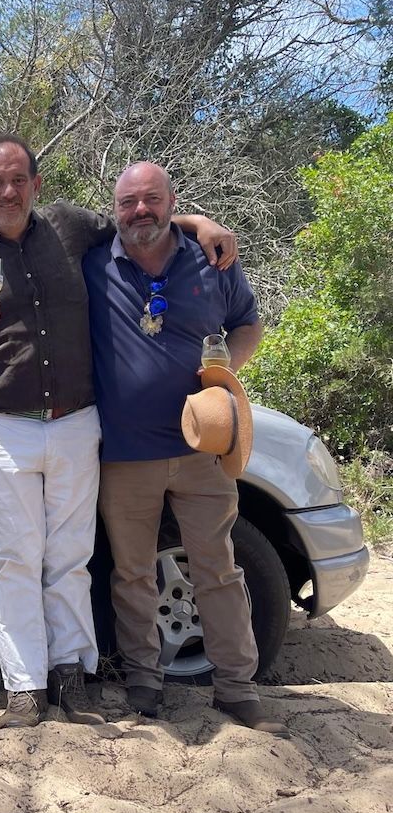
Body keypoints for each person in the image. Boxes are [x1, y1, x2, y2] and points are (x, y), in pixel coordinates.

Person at [0, 134, 236, 730]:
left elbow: (139, 224)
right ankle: (24, 687)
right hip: (0, 428)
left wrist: (198, 221)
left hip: (77, 422)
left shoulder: (68, 228)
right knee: (12, 560)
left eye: (18, 180)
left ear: (36, 186)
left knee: (72, 558)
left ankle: (72, 675)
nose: (8, 191)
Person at [84, 161, 288, 736]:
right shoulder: (95, 261)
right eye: (129, 202)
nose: (140, 211)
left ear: (172, 202)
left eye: (152, 199)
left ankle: (236, 688)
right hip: (125, 452)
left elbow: (247, 324)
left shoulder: (212, 258)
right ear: (116, 209)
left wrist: (224, 380)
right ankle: (144, 682)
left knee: (218, 568)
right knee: (131, 573)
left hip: (205, 449)